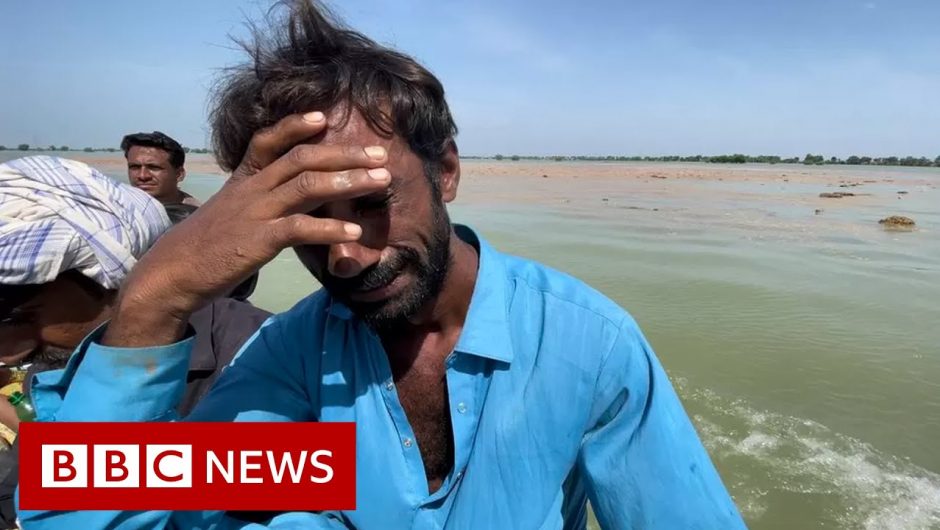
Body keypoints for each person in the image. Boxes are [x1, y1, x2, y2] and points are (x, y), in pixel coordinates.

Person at [17, 2, 746, 529]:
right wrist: (153, 297)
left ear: (447, 171)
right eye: (304, 221)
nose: (344, 253)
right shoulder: (298, 354)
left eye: (370, 201)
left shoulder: (585, 345)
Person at [0, 155, 270, 527]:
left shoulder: (258, 353)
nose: (10, 353)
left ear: (109, 274)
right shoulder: (51, 368)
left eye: (20, 318)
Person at [121, 130, 201, 206]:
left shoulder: (197, 215)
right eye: (135, 167)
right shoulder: (117, 208)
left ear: (179, 174)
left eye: (154, 168)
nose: (143, 176)